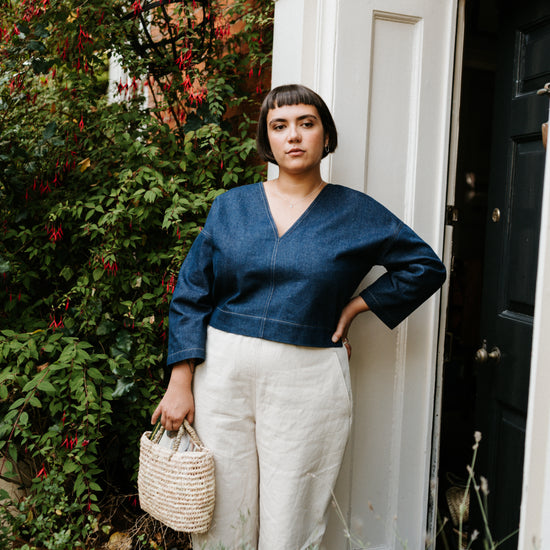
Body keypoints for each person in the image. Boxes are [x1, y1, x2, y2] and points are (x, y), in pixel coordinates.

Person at [151, 84, 446, 550]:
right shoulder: (231, 206)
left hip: (309, 377)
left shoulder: (356, 212)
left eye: (306, 124)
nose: (293, 136)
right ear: (266, 141)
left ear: (325, 136)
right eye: (279, 126)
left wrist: (356, 306)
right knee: (219, 520)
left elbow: (426, 267)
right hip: (222, 373)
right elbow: (191, 293)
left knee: (292, 520)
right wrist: (179, 380)